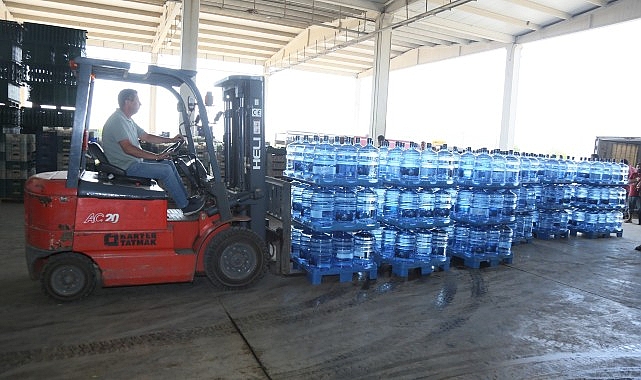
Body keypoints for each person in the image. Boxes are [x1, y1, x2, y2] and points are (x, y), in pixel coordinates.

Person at [101, 89, 205, 216]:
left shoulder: (127, 120)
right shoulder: (117, 120)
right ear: (128, 102)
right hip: (126, 167)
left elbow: (147, 136)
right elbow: (128, 148)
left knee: (169, 164)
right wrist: (156, 156)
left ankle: (186, 201)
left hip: (132, 162)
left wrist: (171, 140)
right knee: (165, 170)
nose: (140, 103)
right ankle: (185, 206)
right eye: (138, 101)